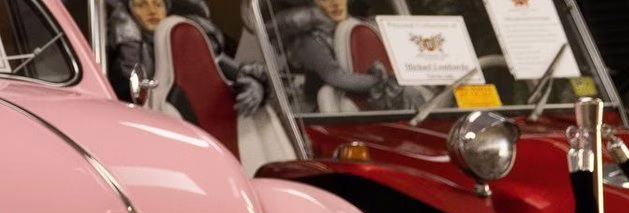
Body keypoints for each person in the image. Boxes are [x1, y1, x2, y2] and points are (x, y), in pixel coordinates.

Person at [108, 0, 268, 114]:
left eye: (158, 4)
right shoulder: (127, 49)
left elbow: (225, 70)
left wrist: (255, 85)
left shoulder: (187, 46)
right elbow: (131, 88)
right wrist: (129, 37)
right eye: (141, 4)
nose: (152, 10)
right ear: (128, 13)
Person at [268, 0, 407, 111]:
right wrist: (377, 80)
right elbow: (335, 76)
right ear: (313, 4)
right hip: (319, 115)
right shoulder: (308, 42)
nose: (335, 3)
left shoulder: (359, 27)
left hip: (373, 108)